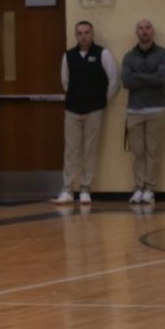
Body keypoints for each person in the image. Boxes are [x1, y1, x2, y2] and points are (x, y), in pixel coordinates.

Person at [52, 20, 118, 205]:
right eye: (80, 33)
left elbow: (114, 80)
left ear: (92, 33)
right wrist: (76, 97)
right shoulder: (69, 56)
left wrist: (102, 101)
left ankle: (85, 189)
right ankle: (67, 190)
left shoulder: (102, 53)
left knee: (90, 150)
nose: (83, 36)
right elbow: (65, 82)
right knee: (71, 150)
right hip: (72, 110)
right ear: (76, 35)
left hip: (94, 110)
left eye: (87, 32)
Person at [121, 19, 165, 205]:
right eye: (141, 28)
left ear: (153, 32)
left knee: (153, 152)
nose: (144, 31)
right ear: (136, 32)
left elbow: (161, 78)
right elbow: (126, 82)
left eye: (148, 28)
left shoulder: (163, 54)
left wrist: (137, 76)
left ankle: (150, 189)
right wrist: (148, 77)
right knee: (138, 152)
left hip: (157, 109)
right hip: (134, 110)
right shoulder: (128, 57)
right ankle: (138, 188)